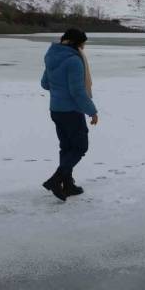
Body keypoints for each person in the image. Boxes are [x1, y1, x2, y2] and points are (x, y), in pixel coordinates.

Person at [40, 28, 98, 201]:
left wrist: (59, 89)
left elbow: (45, 83)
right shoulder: (73, 61)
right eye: (82, 44)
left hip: (56, 109)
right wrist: (92, 111)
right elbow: (77, 92)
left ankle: (68, 184)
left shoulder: (51, 56)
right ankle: (56, 180)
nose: (83, 48)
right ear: (75, 43)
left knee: (66, 147)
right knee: (80, 147)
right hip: (71, 111)